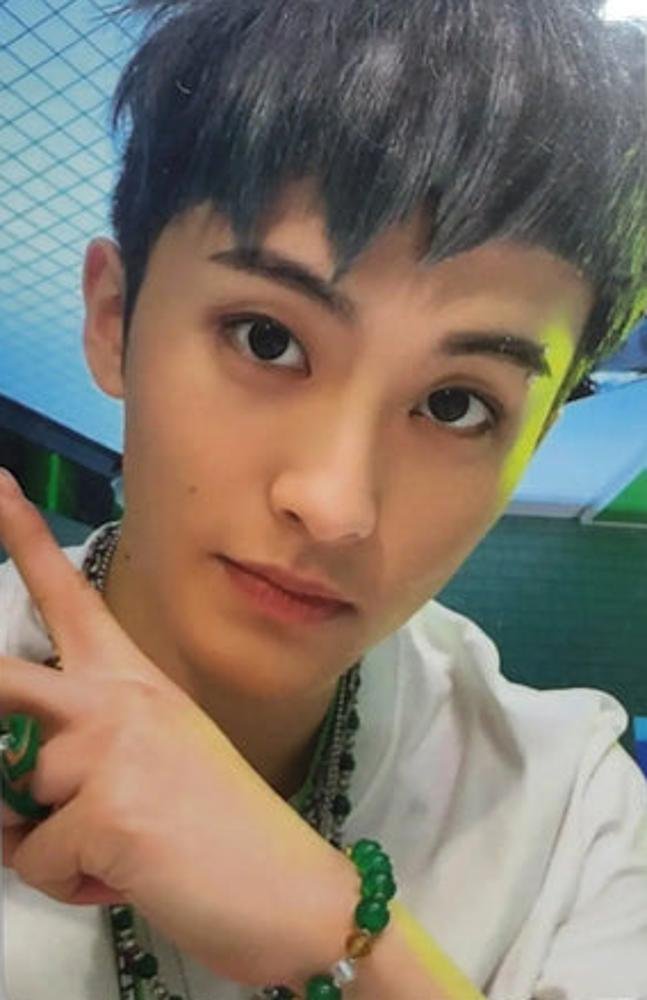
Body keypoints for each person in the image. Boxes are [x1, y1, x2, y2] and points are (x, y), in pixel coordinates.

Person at [1, 0, 646, 998]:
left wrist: (334, 934)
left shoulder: (567, 813)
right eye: (267, 339)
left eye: (455, 404)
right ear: (114, 318)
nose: (334, 504)